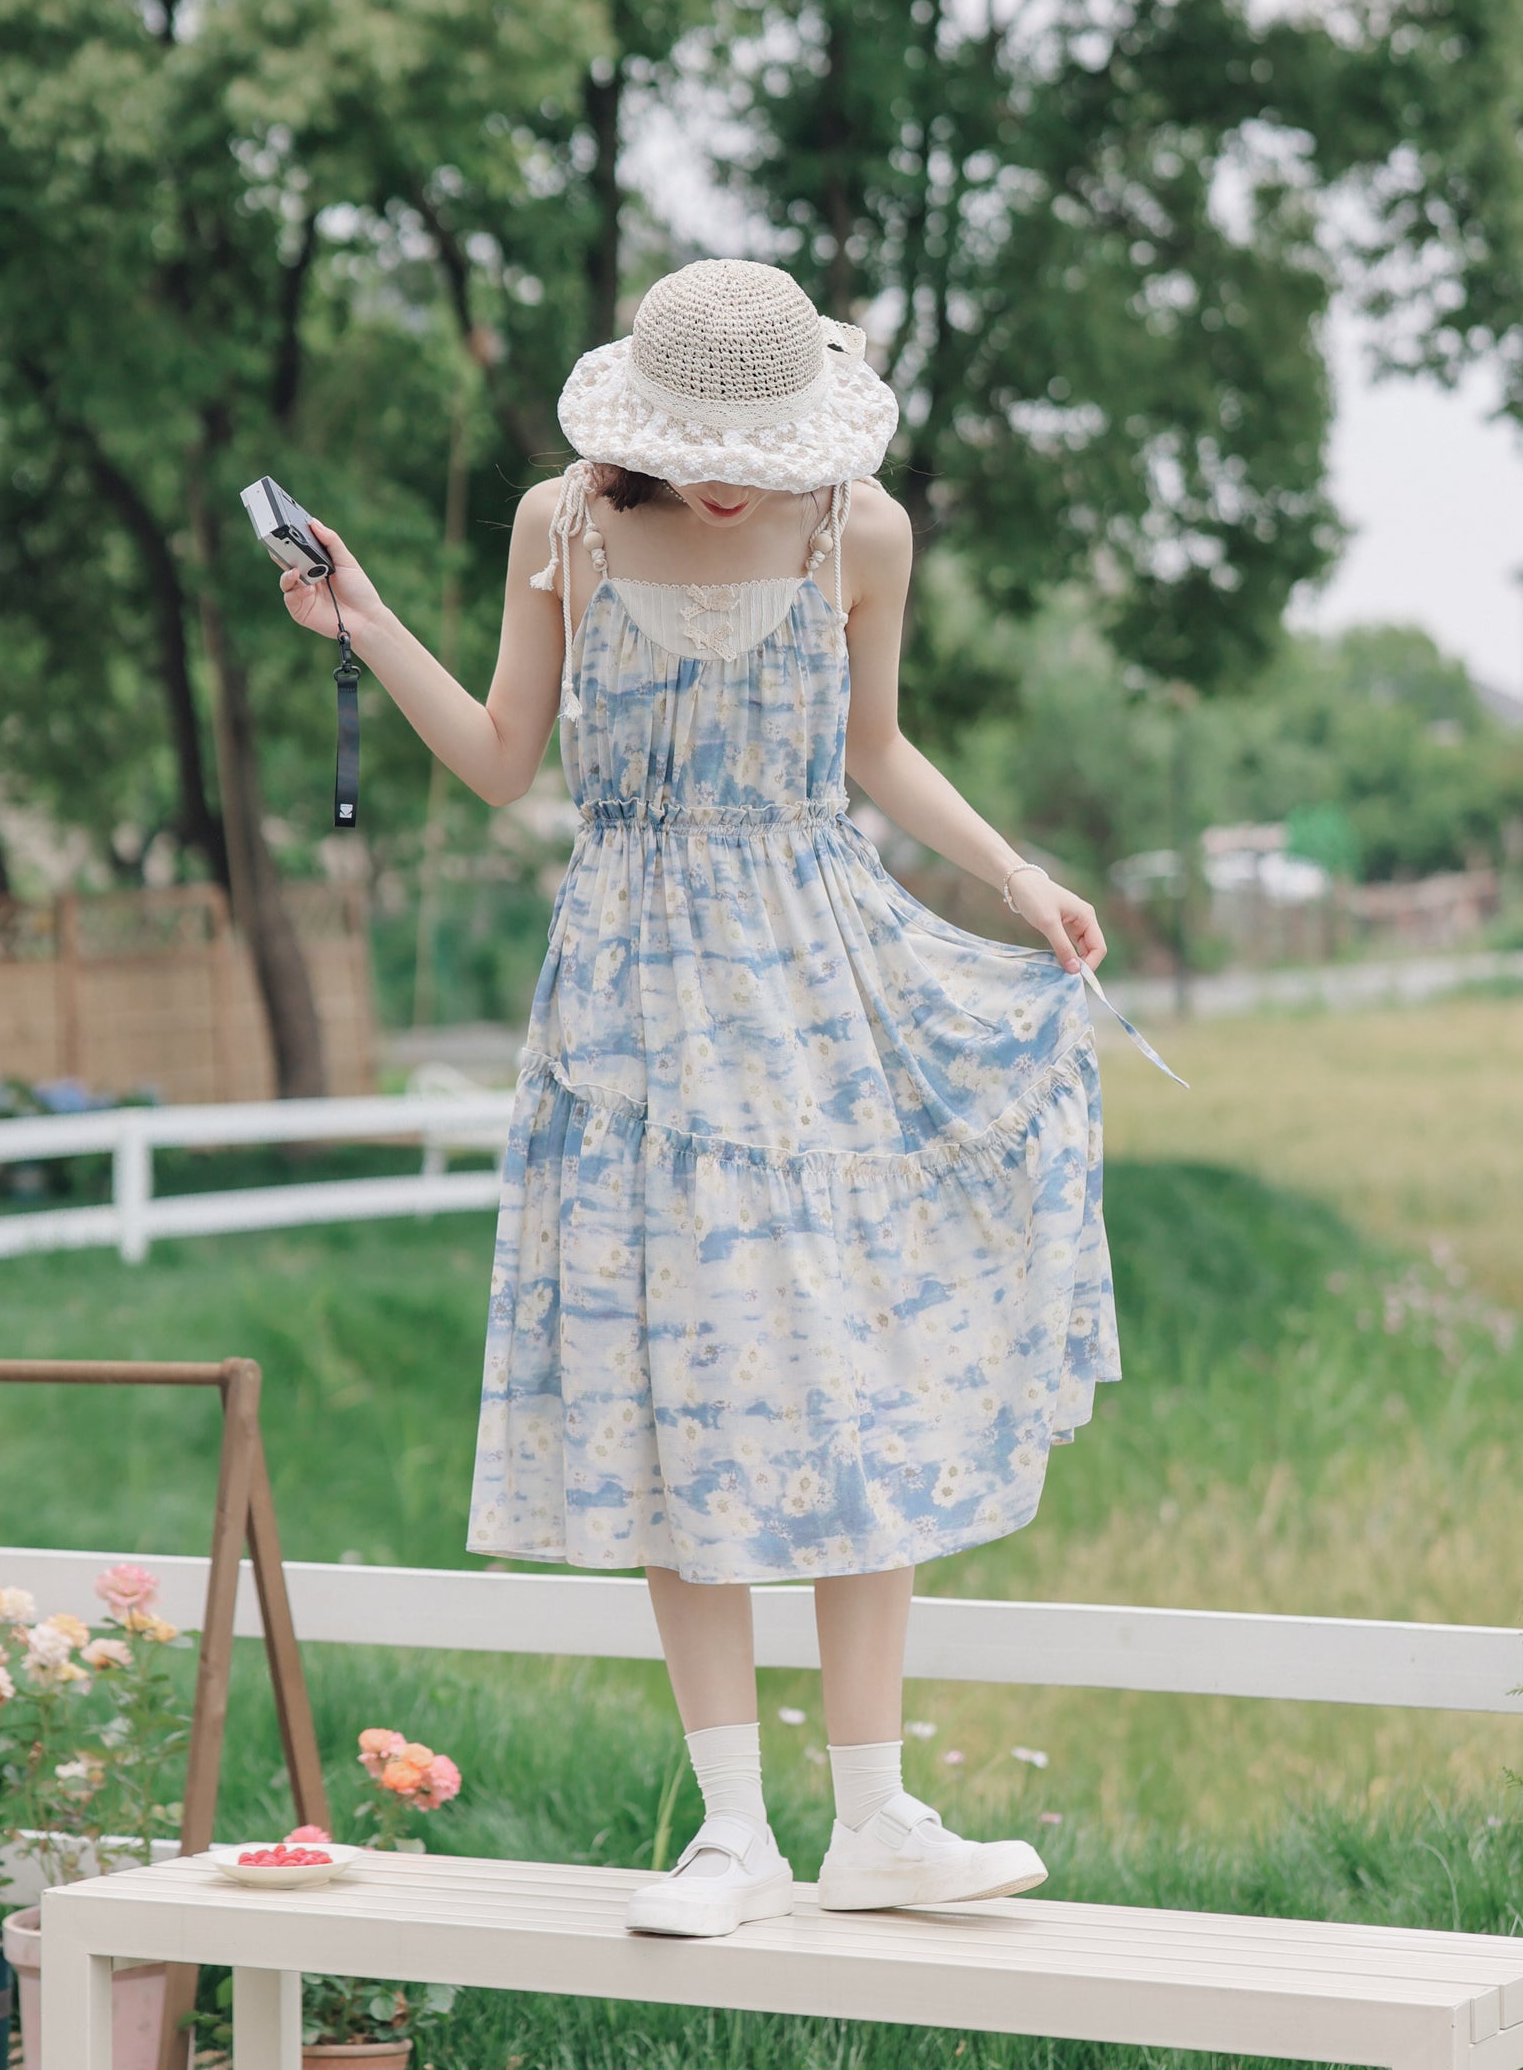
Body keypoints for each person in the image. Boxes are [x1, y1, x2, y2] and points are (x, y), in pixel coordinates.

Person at [279, 257, 1178, 1940]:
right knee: (673, 1375)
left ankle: (877, 1816)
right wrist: (367, 620)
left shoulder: (864, 530)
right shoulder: (567, 524)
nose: (726, 478)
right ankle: (733, 1833)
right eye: (698, 445)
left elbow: (877, 749)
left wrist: (1013, 873)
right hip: (632, 993)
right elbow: (498, 757)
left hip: (817, 971)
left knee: (856, 1364)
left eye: (754, 449)